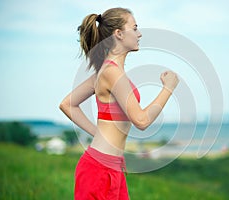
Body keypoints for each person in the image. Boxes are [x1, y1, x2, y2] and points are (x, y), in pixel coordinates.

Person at [59, 7, 179, 200]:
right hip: (98, 171)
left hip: (112, 166)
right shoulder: (111, 73)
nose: (139, 34)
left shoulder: (106, 72)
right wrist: (168, 88)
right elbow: (141, 121)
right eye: (135, 28)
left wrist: (99, 134)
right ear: (119, 34)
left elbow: (67, 104)